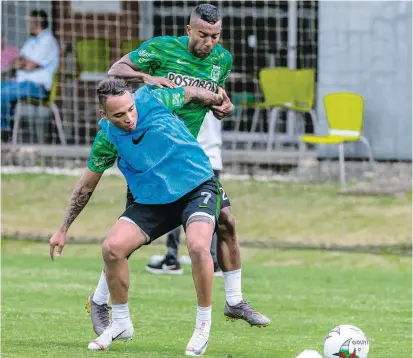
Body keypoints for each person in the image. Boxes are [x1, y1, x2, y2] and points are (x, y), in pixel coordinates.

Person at [86, 3, 270, 337]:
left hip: (185, 159)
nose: (209, 42)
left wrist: (223, 107)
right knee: (127, 240)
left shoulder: (221, 61)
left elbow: (212, 99)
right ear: (189, 31)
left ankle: (234, 300)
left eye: (215, 36)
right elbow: (115, 71)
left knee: (226, 221)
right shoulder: (161, 49)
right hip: (149, 155)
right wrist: (146, 76)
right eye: (203, 35)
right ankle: (100, 300)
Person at [49, 78, 245, 355]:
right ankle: (120, 322)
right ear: (103, 115)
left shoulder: (153, 99)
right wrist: (63, 228)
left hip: (197, 186)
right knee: (112, 249)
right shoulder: (106, 137)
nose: (129, 118)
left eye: (131, 109)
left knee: (199, 245)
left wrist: (218, 99)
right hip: (154, 198)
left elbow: (189, 93)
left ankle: (202, 326)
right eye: (119, 115)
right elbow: (86, 185)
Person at [146, 110, 224, 276]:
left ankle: (172, 258)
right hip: (212, 158)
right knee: (209, 210)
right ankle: (212, 259)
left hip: (190, 158)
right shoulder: (215, 92)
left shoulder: (189, 94)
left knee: (176, 205)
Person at [1, 9, 59, 132]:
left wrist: (23, 63)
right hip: (20, 82)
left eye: (30, 22)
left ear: (36, 23)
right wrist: (22, 63)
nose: (28, 25)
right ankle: (7, 126)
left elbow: (30, 65)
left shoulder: (48, 41)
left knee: (3, 94)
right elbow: (17, 61)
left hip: (37, 86)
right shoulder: (31, 41)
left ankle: (4, 130)